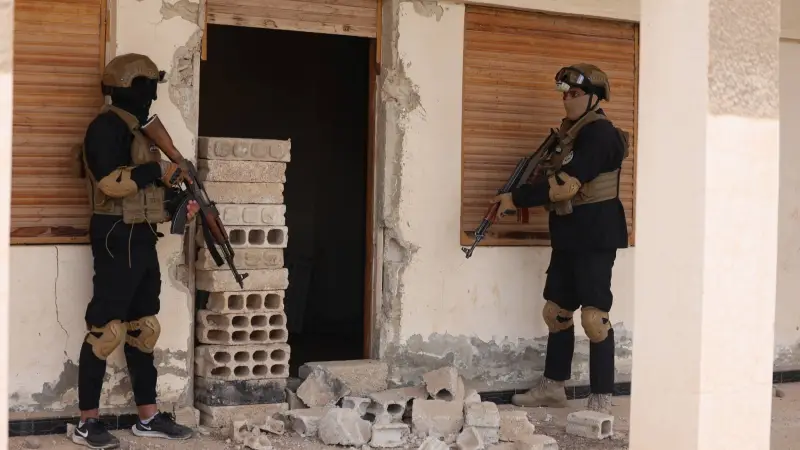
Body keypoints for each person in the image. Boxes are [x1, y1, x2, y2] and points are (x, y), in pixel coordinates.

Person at [72, 53, 200, 449]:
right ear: (126, 89)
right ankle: (87, 423)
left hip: (141, 235)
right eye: (145, 88)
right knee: (106, 330)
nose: (151, 96)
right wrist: (157, 170)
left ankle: (148, 417)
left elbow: (148, 192)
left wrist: (179, 204)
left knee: (144, 328)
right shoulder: (105, 127)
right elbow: (111, 182)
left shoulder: (141, 132)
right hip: (115, 234)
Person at [492, 64, 630, 413]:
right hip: (568, 232)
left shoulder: (600, 134)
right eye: (565, 94)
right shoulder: (570, 134)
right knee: (556, 312)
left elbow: (565, 185)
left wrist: (517, 199)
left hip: (596, 235)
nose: (567, 100)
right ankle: (553, 387)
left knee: (594, 319)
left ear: (595, 97)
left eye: (576, 94)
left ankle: (601, 398)